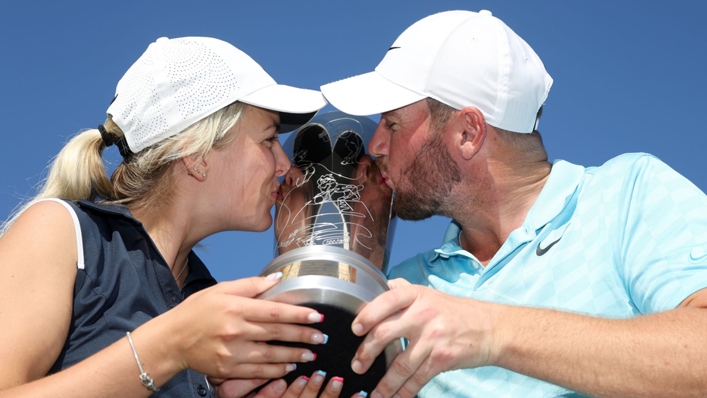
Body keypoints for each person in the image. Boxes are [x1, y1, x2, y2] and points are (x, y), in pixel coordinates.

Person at [320, 9, 707, 398]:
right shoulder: (404, 288)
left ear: (468, 132)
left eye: (393, 124)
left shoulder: (627, 195)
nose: (376, 146)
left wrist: (490, 330)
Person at [0, 36, 350, 398]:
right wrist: (170, 346)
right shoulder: (62, 233)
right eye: (268, 140)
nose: (284, 164)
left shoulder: (206, 298)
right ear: (195, 153)